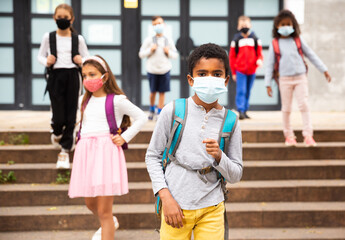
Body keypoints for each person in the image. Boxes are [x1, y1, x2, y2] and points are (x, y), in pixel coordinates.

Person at [145, 43, 243, 240]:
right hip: (175, 205)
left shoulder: (230, 120)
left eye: (216, 74)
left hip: (212, 206)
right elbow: (153, 156)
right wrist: (165, 197)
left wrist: (219, 157)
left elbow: (236, 174)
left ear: (225, 80)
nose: (209, 79)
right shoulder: (173, 111)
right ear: (191, 79)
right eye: (202, 73)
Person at [68, 55, 148, 240]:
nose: (88, 79)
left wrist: (124, 137)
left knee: (104, 211)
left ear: (104, 76)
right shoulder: (83, 101)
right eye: (85, 75)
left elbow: (141, 117)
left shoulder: (117, 100)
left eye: (92, 74)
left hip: (106, 155)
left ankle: (108, 222)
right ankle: (111, 220)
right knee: (90, 203)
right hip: (86, 154)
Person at [265, 10, 332, 147]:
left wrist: (324, 69)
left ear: (293, 25)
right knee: (287, 109)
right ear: (277, 26)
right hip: (284, 79)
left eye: (288, 24)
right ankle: (289, 136)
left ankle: (308, 135)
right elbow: (269, 64)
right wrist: (268, 83)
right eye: (282, 24)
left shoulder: (298, 40)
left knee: (304, 105)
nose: (285, 27)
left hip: (300, 77)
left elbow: (311, 55)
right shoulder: (275, 43)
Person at [37, 3, 89, 168]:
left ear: (72, 19)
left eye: (65, 18)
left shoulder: (78, 39)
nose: (62, 20)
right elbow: (40, 55)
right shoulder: (49, 37)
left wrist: (82, 61)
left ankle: (65, 150)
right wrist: (47, 61)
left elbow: (87, 58)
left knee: (72, 113)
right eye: (59, 18)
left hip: (73, 75)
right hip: (55, 76)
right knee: (58, 114)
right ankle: (57, 131)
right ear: (54, 18)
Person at [139, 15, 178, 120]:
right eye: (155, 24)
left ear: (164, 24)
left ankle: (159, 112)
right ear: (152, 26)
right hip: (152, 70)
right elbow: (141, 54)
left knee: (162, 92)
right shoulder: (149, 40)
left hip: (164, 70)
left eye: (159, 23)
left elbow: (175, 55)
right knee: (152, 92)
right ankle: (151, 109)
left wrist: (168, 52)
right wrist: (150, 50)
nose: (158, 26)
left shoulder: (168, 40)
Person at [229, 15, 264, 120]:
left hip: (252, 70)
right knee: (241, 90)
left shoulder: (255, 39)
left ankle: (245, 110)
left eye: (246, 24)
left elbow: (260, 54)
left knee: (248, 91)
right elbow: (232, 57)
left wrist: (259, 60)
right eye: (242, 25)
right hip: (240, 71)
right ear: (238, 27)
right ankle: (240, 110)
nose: (244, 26)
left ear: (250, 25)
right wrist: (234, 72)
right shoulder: (236, 40)